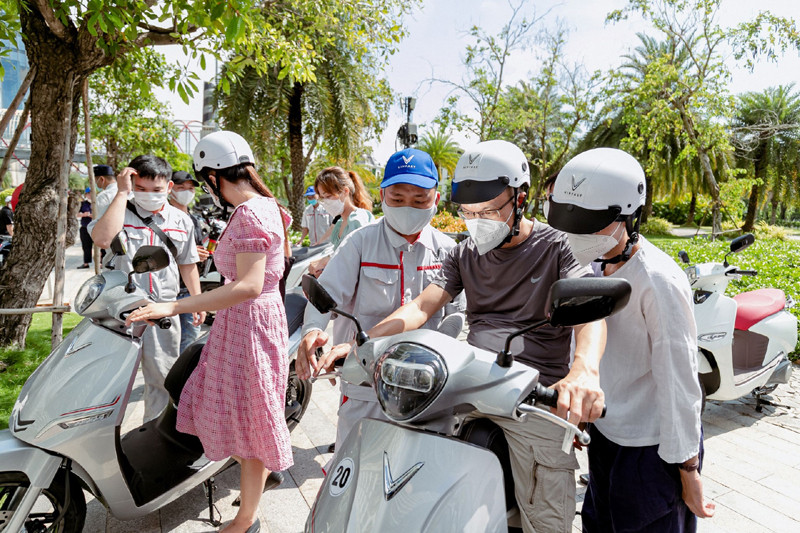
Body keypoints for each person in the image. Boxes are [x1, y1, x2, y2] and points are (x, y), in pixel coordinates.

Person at [364, 140, 606, 533]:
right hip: (471, 384)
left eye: (490, 210)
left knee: (546, 517)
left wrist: (584, 369)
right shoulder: (464, 253)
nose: (478, 221)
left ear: (520, 198)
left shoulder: (557, 246)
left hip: (535, 394)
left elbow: (590, 312)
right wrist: (367, 342)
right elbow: (422, 306)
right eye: (469, 213)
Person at [126, 131, 293, 533]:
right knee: (235, 415)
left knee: (248, 420)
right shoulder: (267, 206)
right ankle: (253, 487)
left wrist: (174, 304)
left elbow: (250, 284)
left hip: (248, 323)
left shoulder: (251, 212)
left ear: (213, 177)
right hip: (249, 322)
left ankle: (246, 519)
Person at [546, 147, 715, 532]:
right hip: (607, 434)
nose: (579, 236)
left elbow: (680, 381)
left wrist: (688, 470)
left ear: (629, 217)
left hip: (652, 449)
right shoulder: (596, 264)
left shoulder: (657, 280)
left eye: (592, 225)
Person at [296, 148, 465, 460]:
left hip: (427, 386)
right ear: (383, 195)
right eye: (398, 199)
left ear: (436, 200)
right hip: (365, 383)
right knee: (354, 470)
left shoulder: (447, 251)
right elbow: (326, 296)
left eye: (419, 200)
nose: (408, 208)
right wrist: (311, 332)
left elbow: (457, 315)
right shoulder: (360, 242)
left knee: (421, 475)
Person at [90, 156, 205, 422]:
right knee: (110, 380)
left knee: (162, 378)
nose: (149, 195)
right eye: (140, 188)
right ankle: (102, 439)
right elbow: (103, 239)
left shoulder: (181, 220)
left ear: (169, 187)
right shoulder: (117, 209)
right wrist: (122, 193)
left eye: (156, 190)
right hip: (120, 309)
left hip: (163, 309)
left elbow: (187, 264)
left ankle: (153, 434)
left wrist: (199, 301)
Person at [168, 170, 211, 353]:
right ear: (170, 189)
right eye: (181, 187)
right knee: (168, 344)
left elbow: (193, 255)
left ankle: (183, 380)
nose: (186, 191)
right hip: (167, 292)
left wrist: (199, 255)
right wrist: (188, 254)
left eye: (190, 188)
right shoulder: (163, 218)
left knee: (189, 340)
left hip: (188, 290)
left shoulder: (193, 219)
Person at [307, 167, 374, 277]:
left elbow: (356, 258)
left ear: (345, 191)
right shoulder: (340, 223)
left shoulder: (358, 219)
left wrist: (326, 261)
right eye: (322, 198)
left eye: (328, 196)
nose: (326, 202)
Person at [77, 187, 93, 268]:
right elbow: (76, 214)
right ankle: (86, 262)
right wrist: (84, 214)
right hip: (85, 227)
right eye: (89, 193)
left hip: (95, 227)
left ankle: (101, 262)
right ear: (86, 194)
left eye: (91, 193)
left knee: (100, 246)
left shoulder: (97, 202)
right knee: (86, 246)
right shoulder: (83, 204)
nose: (90, 195)